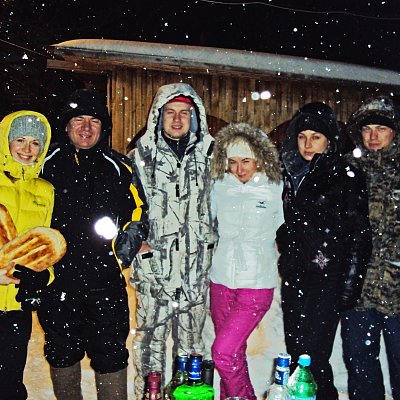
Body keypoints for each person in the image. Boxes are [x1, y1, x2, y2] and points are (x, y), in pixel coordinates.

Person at [37, 88, 148, 400]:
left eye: (94, 121)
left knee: (110, 353)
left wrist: (120, 254)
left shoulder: (119, 166)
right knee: (61, 352)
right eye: (78, 120)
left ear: (104, 127)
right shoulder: (46, 164)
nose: (86, 127)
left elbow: (139, 213)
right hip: (57, 281)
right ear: (66, 125)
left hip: (104, 281)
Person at [275, 102, 372, 400]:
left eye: (315, 137)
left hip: (327, 279)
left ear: (329, 140)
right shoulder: (292, 171)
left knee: (313, 357)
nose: (307, 144)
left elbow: (359, 233)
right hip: (296, 276)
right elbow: (289, 224)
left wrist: (349, 285)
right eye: (302, 136)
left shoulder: (344, 174)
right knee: (297, 354)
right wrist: (287, 245)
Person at [129, 82, 215, 398]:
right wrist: (136, 243)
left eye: (184, 113)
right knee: (149, 349)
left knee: (192, 350)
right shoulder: (139, 158)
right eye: (170, 112)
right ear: (158, 115)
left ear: (195, 117)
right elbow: (124, 210)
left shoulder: (210, 158)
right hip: (154, 273)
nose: (177, 120)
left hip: (194, 274)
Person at [209, 122, 283, 400]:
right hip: (221, 281)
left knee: (223, 352)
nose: (239, 169)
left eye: (246, 161)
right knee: (233, 354)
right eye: (233, 162)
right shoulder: (219, 187)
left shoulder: (274, 189)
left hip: (256, 284)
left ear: (259, 160)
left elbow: (289, 230)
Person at [340, 95, 400, 400]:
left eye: (381, 129)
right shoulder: (345, 171)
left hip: (397, 292)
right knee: (360, 366)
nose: (373, 136)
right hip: (358, 291)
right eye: (367, 129)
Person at [0, 110, 54, 400]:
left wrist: (43, 276)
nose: (27, 148)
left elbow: (49, 244)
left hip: (16, 308)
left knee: (10, 384)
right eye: (20, 139)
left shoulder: (45, 191)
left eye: (35, 142)